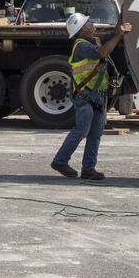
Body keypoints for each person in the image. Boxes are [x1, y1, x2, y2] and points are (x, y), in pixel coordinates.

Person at [51, 13, 131, 181]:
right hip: (85, 95)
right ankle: (60, 161)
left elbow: (116, 32)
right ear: (81, 30)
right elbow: (102, 53)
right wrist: (118, 35)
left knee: (95, 133)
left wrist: (122, 15)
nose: (92, 23)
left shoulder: (94, 40)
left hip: (98, 95)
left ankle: (89, 168)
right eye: (88, 22)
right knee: (82, 130)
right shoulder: (81, 46)